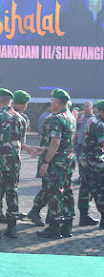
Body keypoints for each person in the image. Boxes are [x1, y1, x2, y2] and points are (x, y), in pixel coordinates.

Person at [0, 88, 33, 239]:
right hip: (14, 163)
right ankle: (12, 228)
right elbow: (22, 142)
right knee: (12, 193)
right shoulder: (21, 118)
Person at [33, 89, 76, 239]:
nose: (50, 103)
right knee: (68, 191)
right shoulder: (70, 117)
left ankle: (54, 227)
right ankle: (67, 225)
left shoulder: (56, 118)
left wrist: (45, 162)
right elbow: (64, 142)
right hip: (68, 160)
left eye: (52, 100)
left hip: (56, 162)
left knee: (55, 192)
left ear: (57, 101)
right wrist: (45, 149)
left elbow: (56, 142)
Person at [77, 100, 104, 229]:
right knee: (99, 189)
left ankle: (83, 216)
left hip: (85, 160)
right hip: (94, 161)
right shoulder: (99, 124)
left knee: (85, 189)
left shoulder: (91, 121)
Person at [74, 101, 94, 185]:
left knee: (89, 161)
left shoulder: (94, 118)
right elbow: (75, 128)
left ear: (91, 108)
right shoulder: (81, 117)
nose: (85, 108)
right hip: (80, 143)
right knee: (79, 160)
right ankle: (81, 176)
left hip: (89, 144)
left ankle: (88, 177)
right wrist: (77, 118)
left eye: (87, 107)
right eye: (84, 107)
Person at [37, 103, 52, 177]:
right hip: (45, 138)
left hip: (42, 136)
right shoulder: (48, 116)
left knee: (41, 154)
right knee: (44, 154)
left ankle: (38, 172)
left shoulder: (43, 115)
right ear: (48, 107)